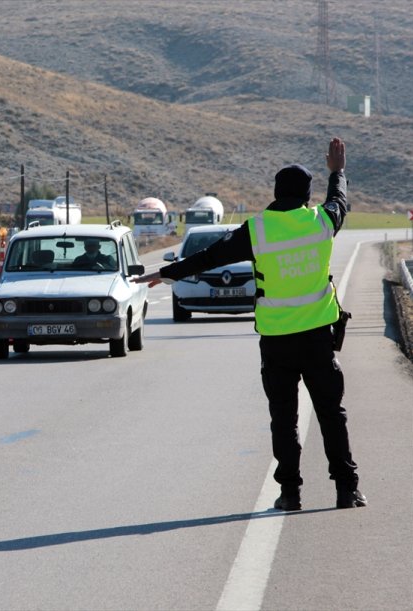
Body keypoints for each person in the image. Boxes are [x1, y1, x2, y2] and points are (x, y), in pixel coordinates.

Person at [134, 137, 365, 511]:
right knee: (331, 415)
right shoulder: (321, 222)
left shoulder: (256, 230)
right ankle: (346, 490)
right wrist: (337, 172)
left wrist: (167, 273)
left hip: (277, 342)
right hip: (319, 339)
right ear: (307, 196)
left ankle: (290, 494)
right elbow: (338, 201)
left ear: (275, 192)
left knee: (283, 420)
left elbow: (209, 257)